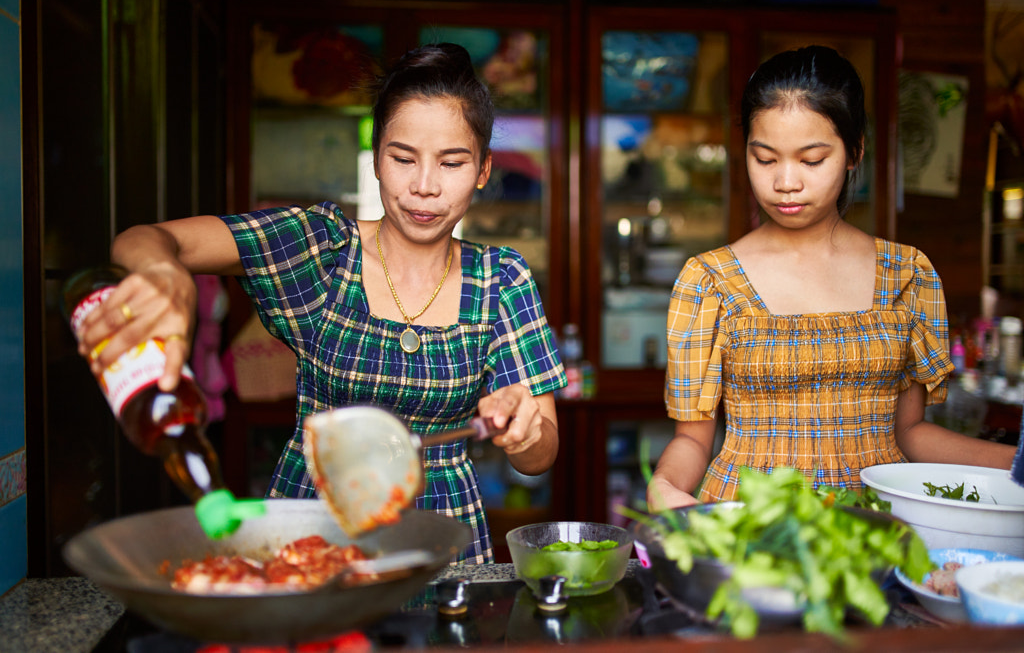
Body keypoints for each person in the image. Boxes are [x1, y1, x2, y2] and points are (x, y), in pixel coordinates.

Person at [75, 42, 566, 564]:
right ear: (376, 156)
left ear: (483, 170)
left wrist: (523, 432)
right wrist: (161, 273)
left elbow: (542, 455)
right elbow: (142, 239)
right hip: (315, 529)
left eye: (452, 163)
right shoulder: (322, 249)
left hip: (443, 543)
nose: (425, 187)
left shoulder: (501, 278)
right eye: (403, 159)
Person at [648, 45, 1015, 510]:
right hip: (751, 525)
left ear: (853, 152)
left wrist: (1015, 461)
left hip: (873, 525)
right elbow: (694, 441)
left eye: (811, 159)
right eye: (764, 159)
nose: (785, 182)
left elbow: (912, 433)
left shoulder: (908, 275)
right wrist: (664, 486)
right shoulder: (708, 281)